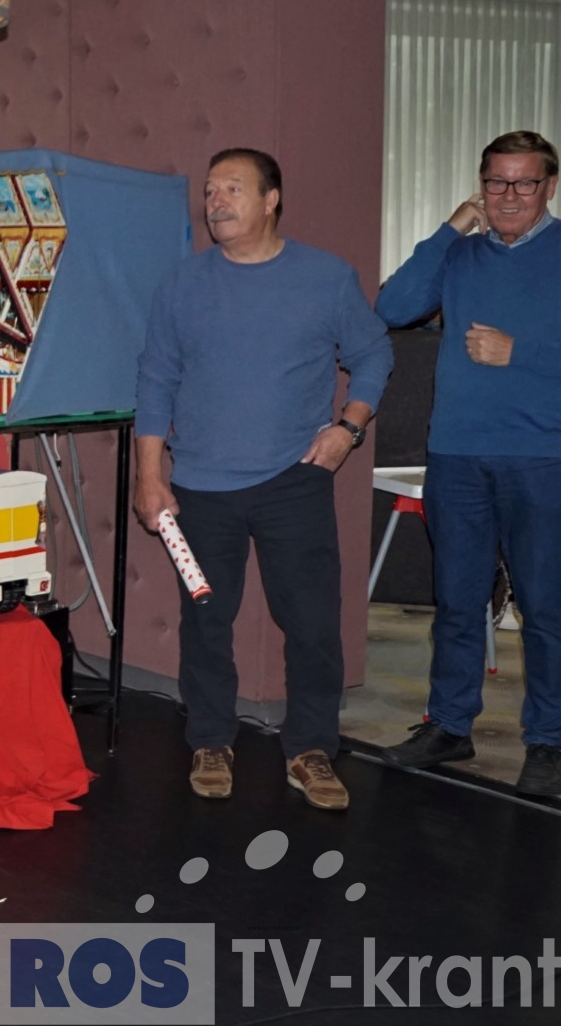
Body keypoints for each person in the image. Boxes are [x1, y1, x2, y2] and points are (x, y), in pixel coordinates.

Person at [134, 148, 393, 810]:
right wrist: (149, 477)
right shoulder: (181, 285)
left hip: (293, 483)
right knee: (205, 621)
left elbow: (373, 354)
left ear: (272, 200)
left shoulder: (326, 277)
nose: (216, 202)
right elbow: (156, 380)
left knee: (311, 624)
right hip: (199, 489)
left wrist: (348, 429)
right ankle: (209, 740)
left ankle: (310, 749)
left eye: (233, 189)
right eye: (210, 191)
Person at [375, 130, 561, 796]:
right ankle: (449, 726)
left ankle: (550, 740)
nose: (508, 196)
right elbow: (393, 307)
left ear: (549, 187)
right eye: (495, 183)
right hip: (455, 454)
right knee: (456, 602)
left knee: (545, 607)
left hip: (542, 458)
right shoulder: (459, 253)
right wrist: (450, 228)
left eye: (524, 183)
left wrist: (522, 354)